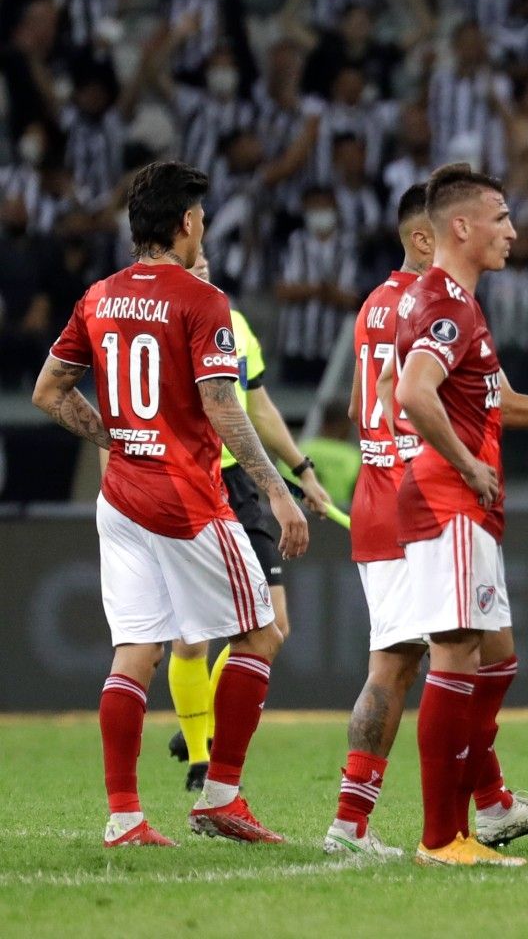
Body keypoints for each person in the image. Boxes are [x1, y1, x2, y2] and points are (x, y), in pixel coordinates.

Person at [33, 160, 309, 847]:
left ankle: (124, 815)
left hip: (120, 499)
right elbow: (223, 405)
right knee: (261, 632)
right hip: (185, 499)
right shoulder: (202, 300)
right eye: (203, 219)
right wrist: (278, 491)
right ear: (186, 224)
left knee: (135, 651)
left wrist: (117, 437)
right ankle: (220, 796)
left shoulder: (98, 297)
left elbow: (48, 391)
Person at [327, 183, 528, 859]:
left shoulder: (408, 303)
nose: (514, 232)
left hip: (422, 491)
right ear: (450, 230)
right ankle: (439, 832)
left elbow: (376, 399)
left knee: (488, 654)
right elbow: (408, 392)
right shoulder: (441, 304)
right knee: (437, 658)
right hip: (439, 496)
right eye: (501, 218)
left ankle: (482, 808)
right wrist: (464, 461)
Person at [166, 251, 334, 792]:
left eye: (206, 264)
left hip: (240, 482)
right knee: (192, 637)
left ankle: (206, 720)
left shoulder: (235, 325)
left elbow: (257, 407)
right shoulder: (164, 324)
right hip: (188, 480)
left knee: (272, 626)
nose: (203, 268)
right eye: (192, 265)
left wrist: (301, 470)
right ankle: (199, 757)